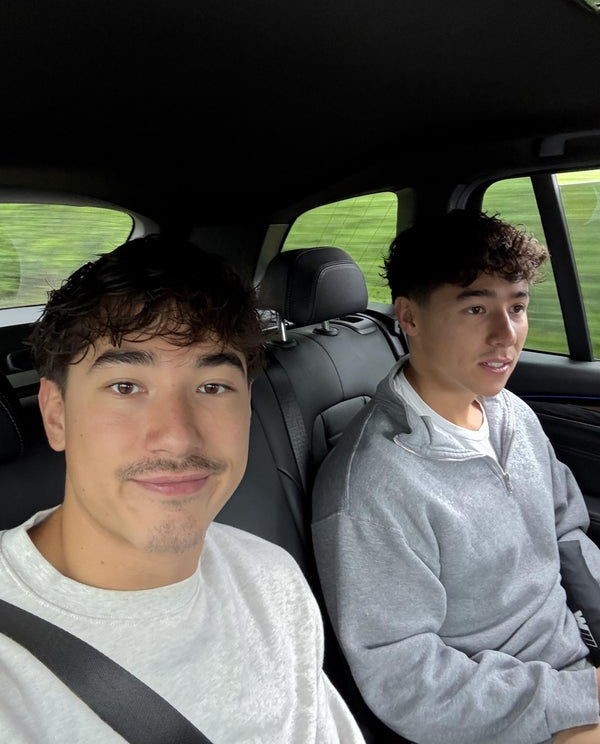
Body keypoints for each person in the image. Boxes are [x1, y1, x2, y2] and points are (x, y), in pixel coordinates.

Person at [0, 233, 366, 744]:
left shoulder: (274, 580)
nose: (177, 435)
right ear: (56, 414)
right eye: (126, 387)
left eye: (212, 387)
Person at [311, 208, 600, 744]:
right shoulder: (371, 487)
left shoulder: (511, 413)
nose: (506, 335)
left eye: (517, 307)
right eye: (476, 308)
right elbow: (407, 681)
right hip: (511, 717)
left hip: (578, 663)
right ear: (410, 317)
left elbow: (566, 531)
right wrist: (578, 699)